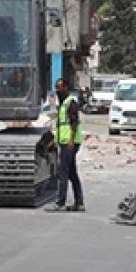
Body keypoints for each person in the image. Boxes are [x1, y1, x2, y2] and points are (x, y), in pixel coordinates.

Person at [47, 77, 85, 212]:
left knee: (63, 171)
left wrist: (70, 140)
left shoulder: (71, 103)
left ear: (66, 88)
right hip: (65, 142)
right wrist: (55, 140)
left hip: (70, 143)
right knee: (72, 173)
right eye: (57, 87)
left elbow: (74, 123)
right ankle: (79, 203)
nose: (58, 90)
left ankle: (60, 203)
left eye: (60, 87)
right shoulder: (63, 104)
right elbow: (61, 125)